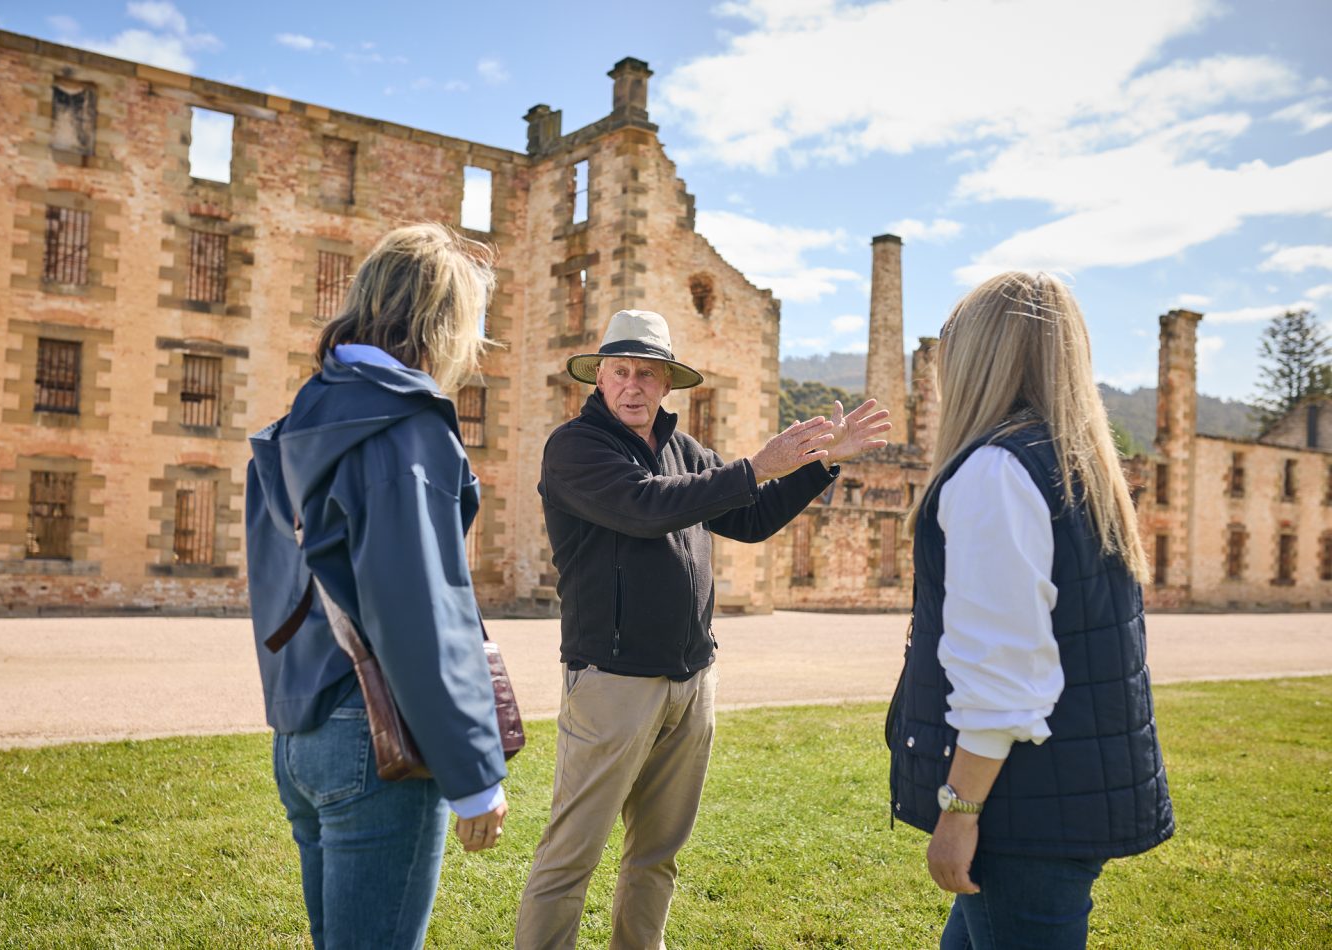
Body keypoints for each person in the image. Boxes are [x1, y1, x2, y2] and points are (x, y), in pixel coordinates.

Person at [515, 309, 892, 949]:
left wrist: (821, 463)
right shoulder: (575, 448)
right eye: (620, 372)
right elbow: (645, 509)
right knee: (571, 855)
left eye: (648, 373)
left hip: (691, 680)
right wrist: (755, 465)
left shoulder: (684, 451)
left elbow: (750, 519)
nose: (633, 385)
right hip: (612, 684)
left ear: (667, 385)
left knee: (657, 853)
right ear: (600, 379)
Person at [887, 271, 1175, 949]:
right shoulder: (1073, 464)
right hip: (1062, 799)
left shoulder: (995, 474)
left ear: (982, 356)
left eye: (950, 347)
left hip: (1022, 814)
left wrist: (959, 813)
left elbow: (1003, 672)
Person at [245, 223, 509, 950]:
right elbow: (420, 606)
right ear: (442, 323)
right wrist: (473, 773)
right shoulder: (407, 425)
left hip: (302, 733)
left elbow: (276, 586)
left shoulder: (303, 415)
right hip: (375, 741)